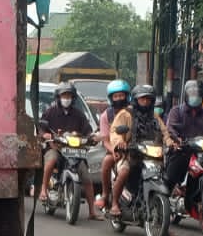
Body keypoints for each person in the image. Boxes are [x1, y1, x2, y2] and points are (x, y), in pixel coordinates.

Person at [37, 80, 102, 220]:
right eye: (64, 95)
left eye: (69, 95)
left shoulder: (79, 114)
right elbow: (41, 128)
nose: (66, 98)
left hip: (75, 151)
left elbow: (88, 131)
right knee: (51, 160)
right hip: (56, 148)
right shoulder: (50, 112)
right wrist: (45, 134)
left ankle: (92, 211)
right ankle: (43, 190)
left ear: (73, 98)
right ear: (59, 97)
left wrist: (92, 137)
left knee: (86, 177)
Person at [108, 84, 171, 218]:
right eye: (142, 99)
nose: (145, 102)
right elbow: (115, 130)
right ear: (136, 100)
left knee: (166, 177)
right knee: (124, 171)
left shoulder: (154, 117)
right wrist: (120, 142)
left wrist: (170, 143)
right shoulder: (126, 114)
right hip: (130, 155)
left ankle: (164, 219)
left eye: (148, 99)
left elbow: (165, 133)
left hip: (151, 157)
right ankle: (114, 203)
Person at [163, 79, 203, 211]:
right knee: (174, 169)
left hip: (202, 152)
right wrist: (177, 139)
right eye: (192, 94)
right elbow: (171, 129)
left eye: (198, 95)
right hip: (182, 151)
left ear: (202, 97)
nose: (195, 97)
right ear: (186, 95)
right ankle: (164, 197)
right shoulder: (176, 111)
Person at [97, 79, 133, 214]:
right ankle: (106, 195)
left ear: (127, 96)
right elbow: (106, 140)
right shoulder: (106, 115)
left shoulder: (133, 112)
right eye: (115, 96)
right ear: (111, 98)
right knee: (107, 161)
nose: (119, 99)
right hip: (115, 149)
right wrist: (113, 150)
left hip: (133, 149)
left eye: (121, 95)